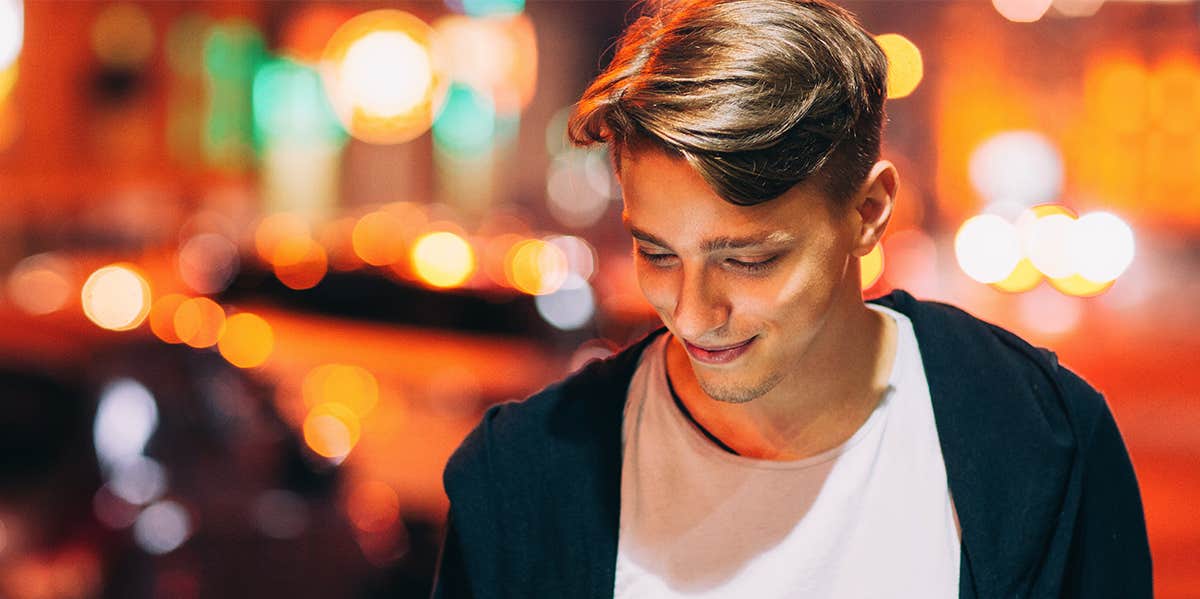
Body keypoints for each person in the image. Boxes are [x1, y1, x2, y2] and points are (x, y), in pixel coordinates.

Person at [431, 0, 1152, 597]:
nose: (691, 311)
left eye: (748, 259)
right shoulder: (522, 481)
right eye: (656, 253)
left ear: (867, 212)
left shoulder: (1042, 440)